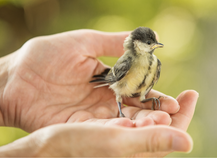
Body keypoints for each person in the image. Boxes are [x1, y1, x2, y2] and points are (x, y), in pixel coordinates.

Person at [0, 29, 199, 157]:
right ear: (137, 44)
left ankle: (146, 100)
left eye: (154, 43)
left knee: (150, 99)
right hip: (119, 88)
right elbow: (115, 82)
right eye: (149, 43)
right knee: (121, 95)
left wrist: (149, 99)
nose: (154, 46)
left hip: (140, 91)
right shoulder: (127, 61)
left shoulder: (156, 64)